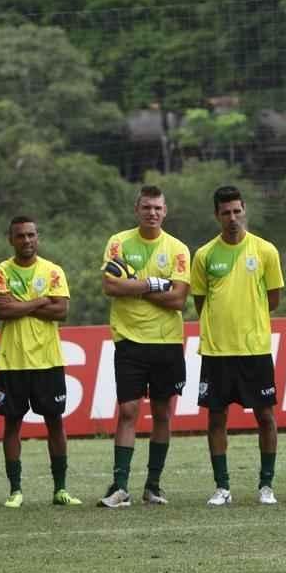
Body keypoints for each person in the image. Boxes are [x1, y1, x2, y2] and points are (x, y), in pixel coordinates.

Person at [190, 186, 284, 506]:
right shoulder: (204, 255)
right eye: (226, 213)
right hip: (217, 351)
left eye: (237, 211)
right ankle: (223, 487)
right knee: (216, 419)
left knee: (265, 417)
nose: (232, 218)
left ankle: (266, 486)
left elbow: (273, 300)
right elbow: (200, 302)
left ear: (244, 210)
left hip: (255, 349)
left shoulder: (266, 251)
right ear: (217, 215)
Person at [98, 185, 191, 508]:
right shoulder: (118, 242)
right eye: (147, 207)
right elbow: (110, 285)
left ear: (165, 212)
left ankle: (153, 485)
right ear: (137, 209)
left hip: (167, 341)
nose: (152, 213)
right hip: (129, 340)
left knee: (162, 413)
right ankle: (120, 486)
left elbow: (178, 299)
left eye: (158, 208)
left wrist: (134, 286)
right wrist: (153, 284)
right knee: (128, 411)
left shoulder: (178, 249)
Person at [0, 216, 79, 508]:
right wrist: (41, 301)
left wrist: (21, 304)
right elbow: (3, 311)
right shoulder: (0, 272)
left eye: (31, 235)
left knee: (55, 422)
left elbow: (61, 311)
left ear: (37, 237)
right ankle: (15, 490)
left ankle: (60, 489)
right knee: (12, 424)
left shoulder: (53, 271)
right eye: (20, 236)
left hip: (48, 360)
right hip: (12, 361)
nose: (26, 240)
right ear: (11, 240)